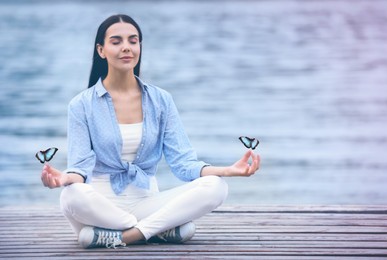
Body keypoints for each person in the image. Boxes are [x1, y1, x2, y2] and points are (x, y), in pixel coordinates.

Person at [40, 14, 261, 249]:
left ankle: (126, 236)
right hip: (99, 208)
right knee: (71, 195)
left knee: (216, 186)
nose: (126, 47)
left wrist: (228, 170)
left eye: (133, 41)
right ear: (101, 50)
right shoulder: (81, 105)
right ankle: (158, 229)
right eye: (116, 41)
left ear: (139, 46)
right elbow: (80, 167)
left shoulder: (161, 100)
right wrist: (62, 178)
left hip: (147, 201)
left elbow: (183, 163)